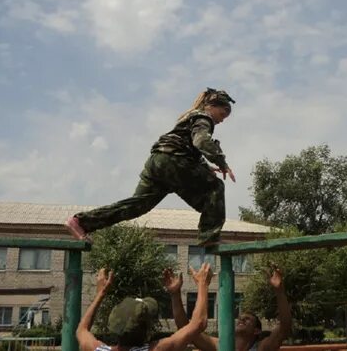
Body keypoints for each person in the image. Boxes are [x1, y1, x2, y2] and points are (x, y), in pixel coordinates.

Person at [65, 88, 236, 245]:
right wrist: (221, 162)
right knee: (215, 187)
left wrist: (205, 168)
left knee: (137, 206)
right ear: (211, 106)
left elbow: (189, 146)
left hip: (157, 162)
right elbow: (201, 140)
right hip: (173, 161)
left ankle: (80, 222)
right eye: (222, 114)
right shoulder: (203, 117)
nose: (221, 120)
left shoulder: (190, 117)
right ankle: (209, 237)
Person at [76, 263, 213, 351]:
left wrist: (101, 293)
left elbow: (82, 330)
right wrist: (202, 285)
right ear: (147, 330)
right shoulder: (157, 349)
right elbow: (199, 323)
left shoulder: (97, 349)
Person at [164, 266, 292, 351]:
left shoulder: (261, 348)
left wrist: (279, 291)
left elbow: (284, 327)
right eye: (240, 318)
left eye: (247, 320)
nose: (241, 319)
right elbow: (185, 327)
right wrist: (175, 294)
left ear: (257, 331)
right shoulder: (220, 346)